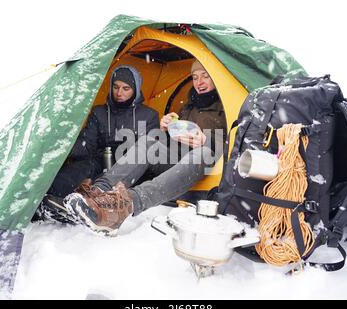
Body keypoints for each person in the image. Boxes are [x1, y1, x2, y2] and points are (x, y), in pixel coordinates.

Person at [62, 59, 227, 234]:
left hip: (209, 167)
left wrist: (206, 140)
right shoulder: (189, 106)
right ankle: (98, 193)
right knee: (150, 140)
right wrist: (166, 129)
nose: (199, 82)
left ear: (216, 79)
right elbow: (177, 138)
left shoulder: (226, 106)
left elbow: (234, 145)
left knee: (202, 154)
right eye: (195, 77)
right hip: (178, 162)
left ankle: (124, 205)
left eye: (205, 76)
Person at [33, 65, 159, 223]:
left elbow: (148, 152)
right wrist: (61, 144)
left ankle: (89, 209)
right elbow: (87, 145)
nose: (119, 93)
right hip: (99, 160)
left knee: (105, 184)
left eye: (126, 88)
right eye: (116, 87)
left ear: (136, 90)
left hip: (129, 166)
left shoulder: (149, 116)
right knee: (66, 178)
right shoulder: (99, 112)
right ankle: (49, 206)